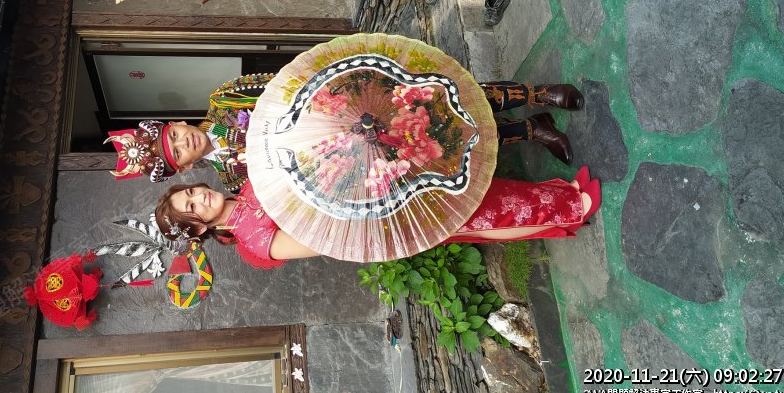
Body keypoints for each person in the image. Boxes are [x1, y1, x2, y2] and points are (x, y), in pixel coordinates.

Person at [106, 76, 584, 189]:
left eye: (174, 135)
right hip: (352, 154)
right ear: (183, 168)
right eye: (175, 153)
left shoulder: (225, 98)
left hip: (351, 105)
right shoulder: (234, 179)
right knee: (437, 145)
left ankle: (537, 94)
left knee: (439, 101)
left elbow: (288, 81)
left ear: (176, 124)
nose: (182, 142)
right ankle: (531, 130)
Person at [153, 167, 601, 269]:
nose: (200, 197)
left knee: (472, 193)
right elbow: (319, 240)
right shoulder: (254, 242)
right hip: (373, 221)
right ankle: (568, 212)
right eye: (192, 208)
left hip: (371, 183)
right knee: (472, 219)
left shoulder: (253, 182)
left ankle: (555, 195)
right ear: (199, 229)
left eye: (190, 191)